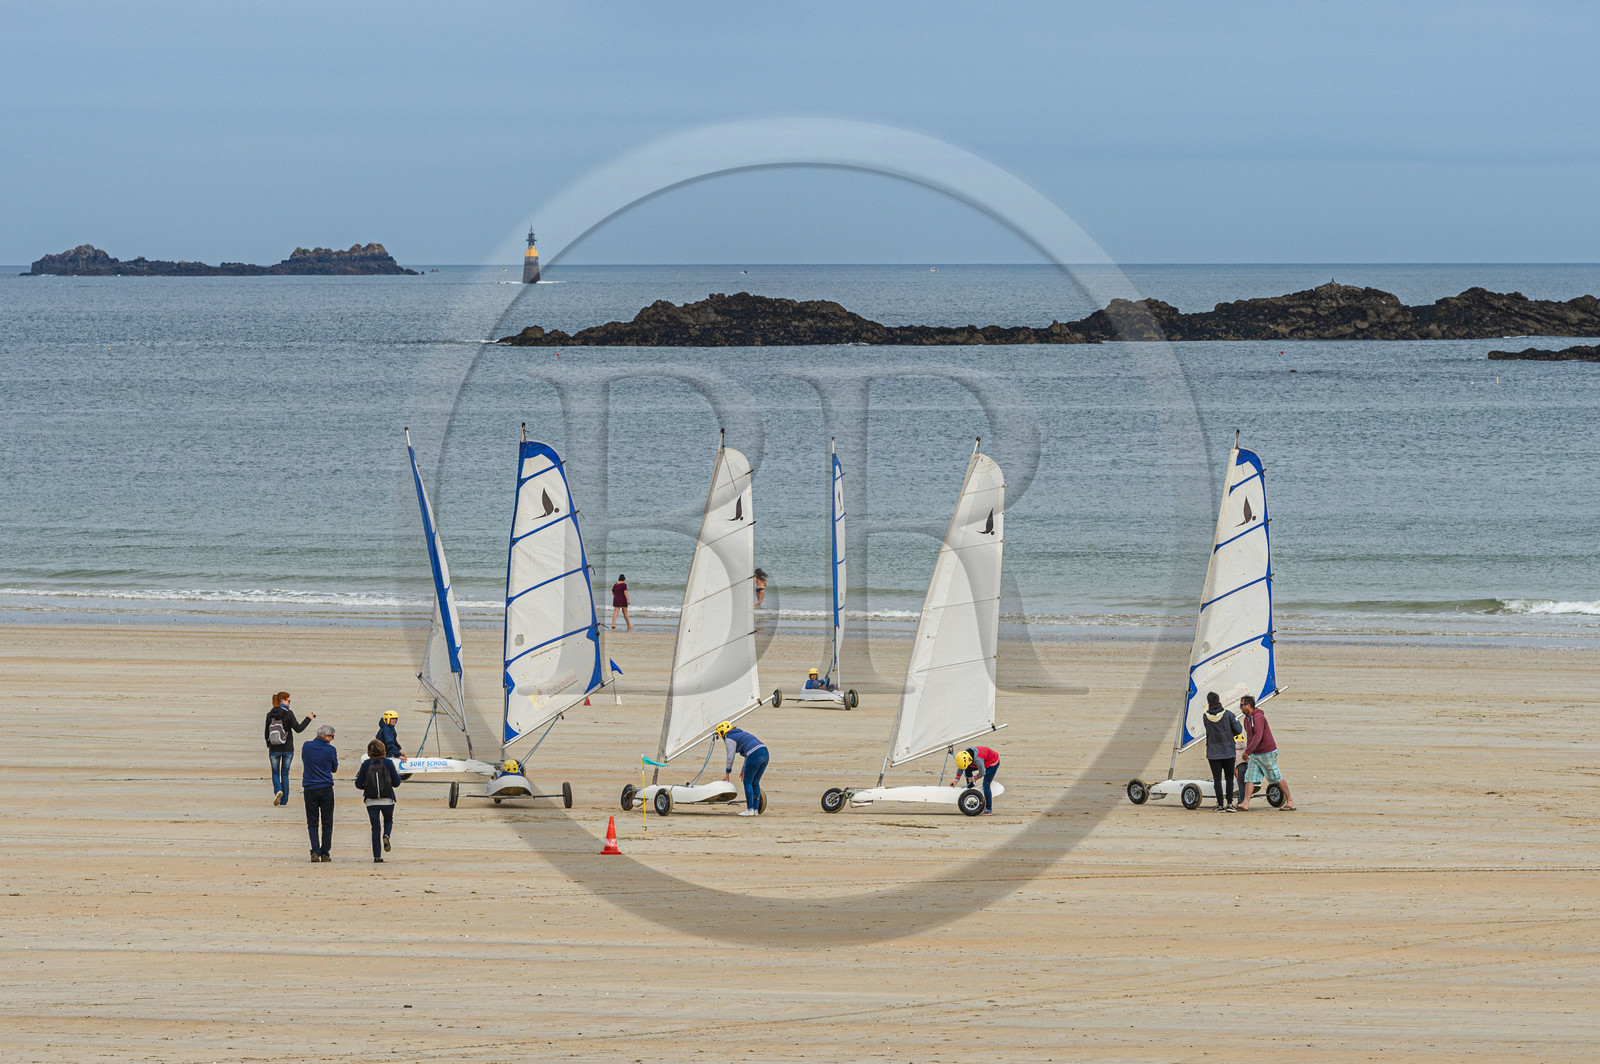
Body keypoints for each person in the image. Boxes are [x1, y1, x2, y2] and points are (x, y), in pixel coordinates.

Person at [1237, 695, 1295, 811]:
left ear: (1248, 705)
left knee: (1276, 777)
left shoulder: (1258, 717)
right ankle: (1245, 802)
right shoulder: (1246, 719)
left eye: (1241, 705)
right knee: (1249, 777)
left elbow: (1258, 737)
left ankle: (1289, 800)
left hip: (1267, 752)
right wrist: (1249, 751)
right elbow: (1250, 737)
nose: (1240, 707)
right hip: (1255, 754)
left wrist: (1247, 751)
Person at [355, 738, 402, 863]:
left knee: (375, 827)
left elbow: (358, 784)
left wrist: (367, 785)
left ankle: (377, 856)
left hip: (371, 800)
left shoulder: (366, 764)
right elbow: (397, 782)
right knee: (388, 820)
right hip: (387, 799)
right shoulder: (388, 763)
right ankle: (386, 835)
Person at [264, 691, 313, 806]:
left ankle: (278, 790)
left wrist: (269, 744)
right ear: (282, 701)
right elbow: (298, 729)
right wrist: (308, 718)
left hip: (274, 749)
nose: (290, 703)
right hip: (288, 749)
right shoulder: (289, 714)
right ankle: (284, 801)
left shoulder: (270, 714)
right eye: (288, 701)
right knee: (285, 774)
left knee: (275, 773)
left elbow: (266, 733)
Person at [301, 724, 339, 862]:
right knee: (327, 822)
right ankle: (325, 852)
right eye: (332, 736)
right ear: (325, 736)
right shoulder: (330, 750)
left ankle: (315, 851)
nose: (332, 739)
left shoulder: (306, 746)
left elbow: (305, 759)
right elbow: (334, 768)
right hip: (326, 787)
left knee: (312, 822)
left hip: (310, 788)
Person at [716, 720, 768, 817]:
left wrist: (727, 772)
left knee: (747, 782)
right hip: (765, 752)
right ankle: (755, 810)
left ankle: (750, 809)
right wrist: (743, 769)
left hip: (755, 754)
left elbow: (730, 756)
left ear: (722, 732)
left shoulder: (729, 738)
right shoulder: (740, 733)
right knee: (755, 782)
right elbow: (748, 753)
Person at [1201, 691, 1243, 811]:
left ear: (1208, 702)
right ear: (1219, 700)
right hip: (1228, 751)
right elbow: (1238, 729)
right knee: (1229, 778)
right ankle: (1229, 804)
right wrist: (1229, 734)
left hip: (1213, 753)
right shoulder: (1228, 714)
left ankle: (1220, 805)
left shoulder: (1205, 717)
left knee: (1217, 780)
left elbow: (1208, 729)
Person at [952, 746, 1001, 814]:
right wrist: (956, 781)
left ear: (969, 759)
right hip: (982, 759)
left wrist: (973, 778)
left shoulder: (978, 760)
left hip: (992, 762)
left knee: (986, 785)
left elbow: (982, 772)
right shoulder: (964, 755)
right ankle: (971, 787)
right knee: (967, 770)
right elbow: (961, 767)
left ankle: (989, 809)